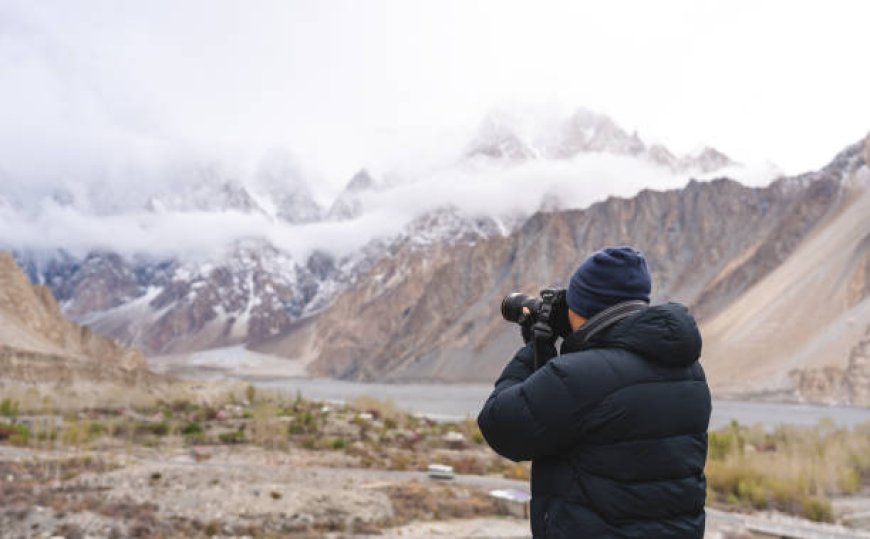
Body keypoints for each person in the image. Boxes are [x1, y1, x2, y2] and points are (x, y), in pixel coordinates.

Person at [477, 246, 711, 538]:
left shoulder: (580, 377)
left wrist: (534, 348)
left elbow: (500, 425)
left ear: (581, 307)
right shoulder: (689, 372)